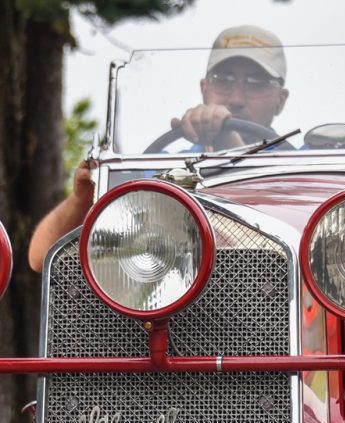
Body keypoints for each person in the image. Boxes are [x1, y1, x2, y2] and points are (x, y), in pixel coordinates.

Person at [27, 25, 289, 271]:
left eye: (256, 83)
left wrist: (228, 145)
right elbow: (41, 258)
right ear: (204, 88)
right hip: (172, 316)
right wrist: (83, 196)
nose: (236, 98)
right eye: (224, 80)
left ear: (281, 100)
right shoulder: (161, 172)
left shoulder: (305, 171)